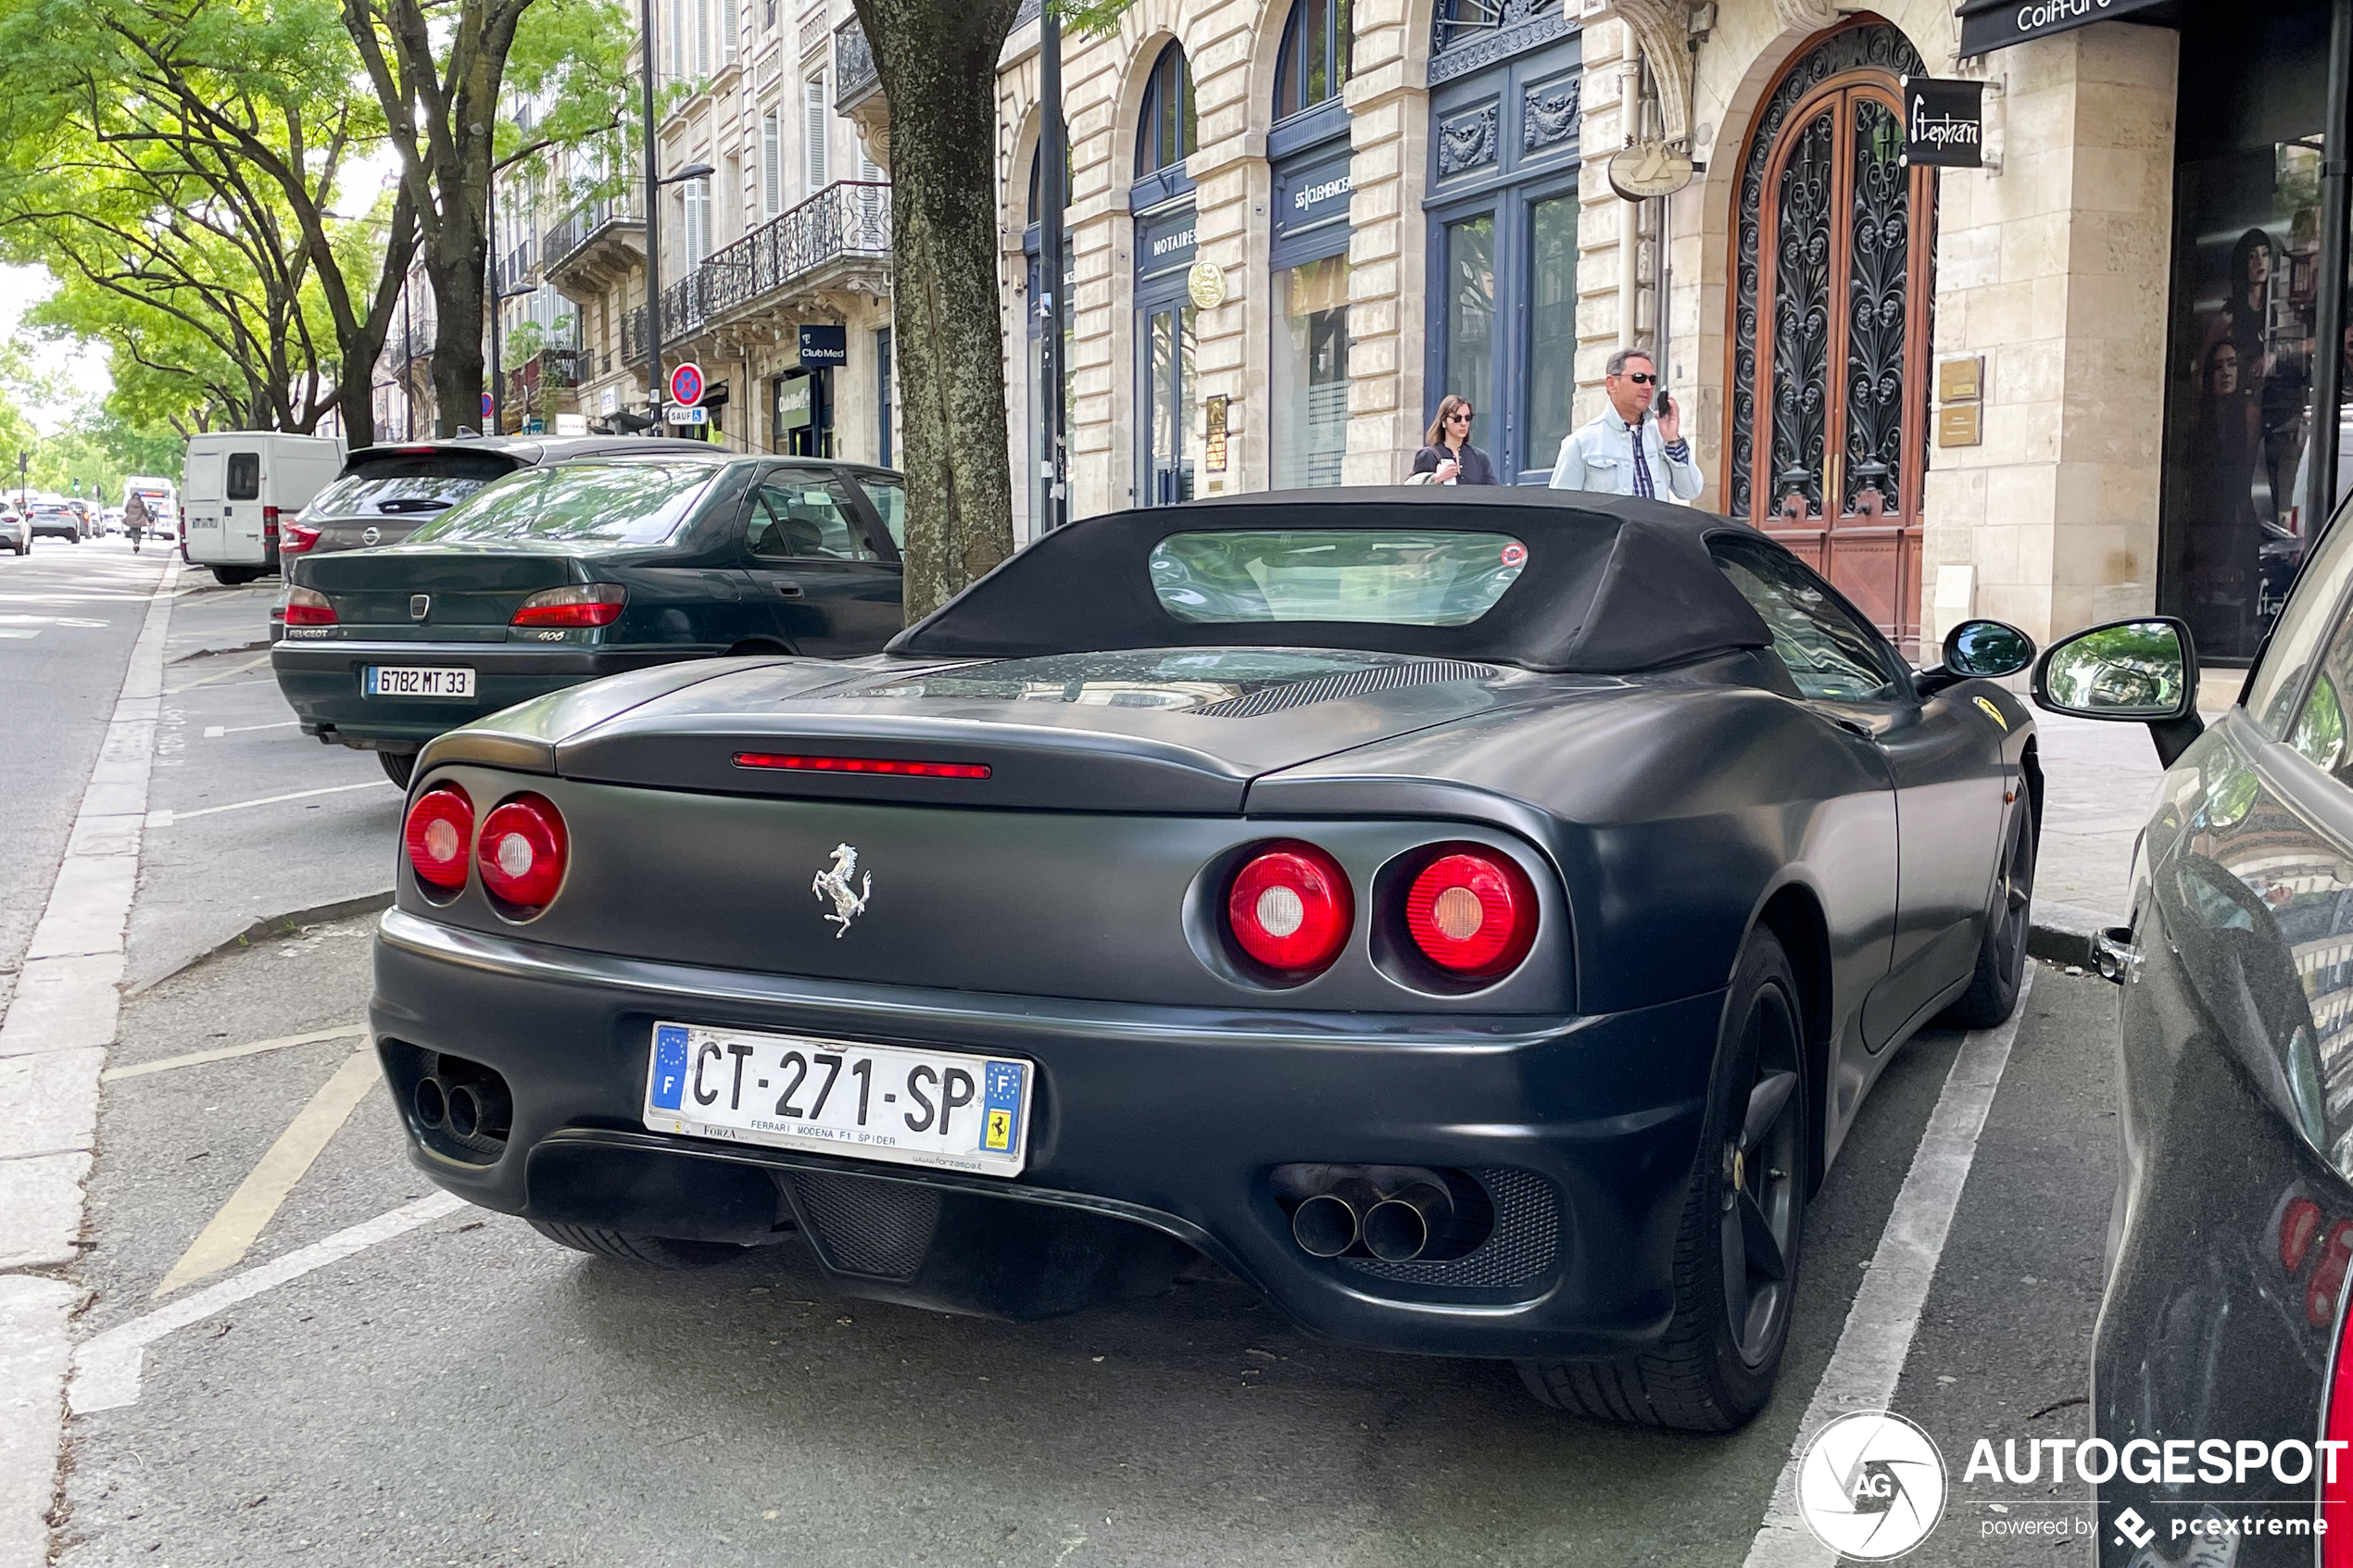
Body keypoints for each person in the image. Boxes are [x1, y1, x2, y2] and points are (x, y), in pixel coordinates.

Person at [1549, 346, 1704, 501]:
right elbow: (1561, 508)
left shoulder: (1661, 435)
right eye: (1638, 378)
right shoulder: (1581, 442)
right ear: (1611, 384)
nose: (1648, 386)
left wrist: (1672, 440)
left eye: (1652, 380)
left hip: (1656, 525)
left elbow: (1691, 491)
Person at [1410, 395, 1500, 484]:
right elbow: (1412, 492)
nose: (1463, 423)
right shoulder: (1428, 456)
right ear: (1444, 421)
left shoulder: (1480, 458)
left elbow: (1495, 493)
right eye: (1457, 418)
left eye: (1468, 418)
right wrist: (1437, 478)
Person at [123, 489, 149, 554]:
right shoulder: (141, 503)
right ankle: (137, 542)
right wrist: (146, 516)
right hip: (139, 520)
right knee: (138, 532)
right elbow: (145, 511)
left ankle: (135, 542)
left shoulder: (129, 502)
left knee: (132, 531)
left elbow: (126, 510)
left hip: (131, 520)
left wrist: (130, 514)